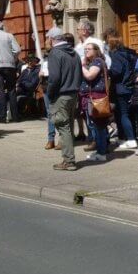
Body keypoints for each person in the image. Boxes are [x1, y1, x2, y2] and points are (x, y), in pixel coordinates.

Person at [46, 27, 83, 171]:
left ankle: (69, 161)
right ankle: (68, 159)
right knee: (68, 126)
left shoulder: (55, 53)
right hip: (73, 93)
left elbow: (54, 78)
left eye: (48, 38)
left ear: (52, 38)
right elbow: (79, 73)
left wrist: (50, 93)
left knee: (63, 127)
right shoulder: (73, 52)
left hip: (61, 94)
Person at [106, 29, 138, 148]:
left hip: (120, 87)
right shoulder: (130, 53)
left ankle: (131, 139)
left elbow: (116, 71)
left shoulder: (116, 55)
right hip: (130, 86)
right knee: (125, 114)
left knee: (123, 114)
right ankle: (123, 138)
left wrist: (106, 71)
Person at [80, 43, 110, 162]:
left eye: (89, 49)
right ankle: (99, 151)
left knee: (99, 127)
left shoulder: (97, 61)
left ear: (96, 50)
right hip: (92, 97)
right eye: (85, 49)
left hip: (97, 98)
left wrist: (82, 66)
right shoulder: (93, 62)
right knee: (96, 126)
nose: (86, 51)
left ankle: (101, 153)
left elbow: (90, 75)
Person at [0, 21, 21, 123]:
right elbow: (17, 50)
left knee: (0, 90)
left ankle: (1, 116)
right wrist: (13, 57)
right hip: (10, 65)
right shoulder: (9, 36)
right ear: (3, 27)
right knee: (11, 90)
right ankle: (15, 116)